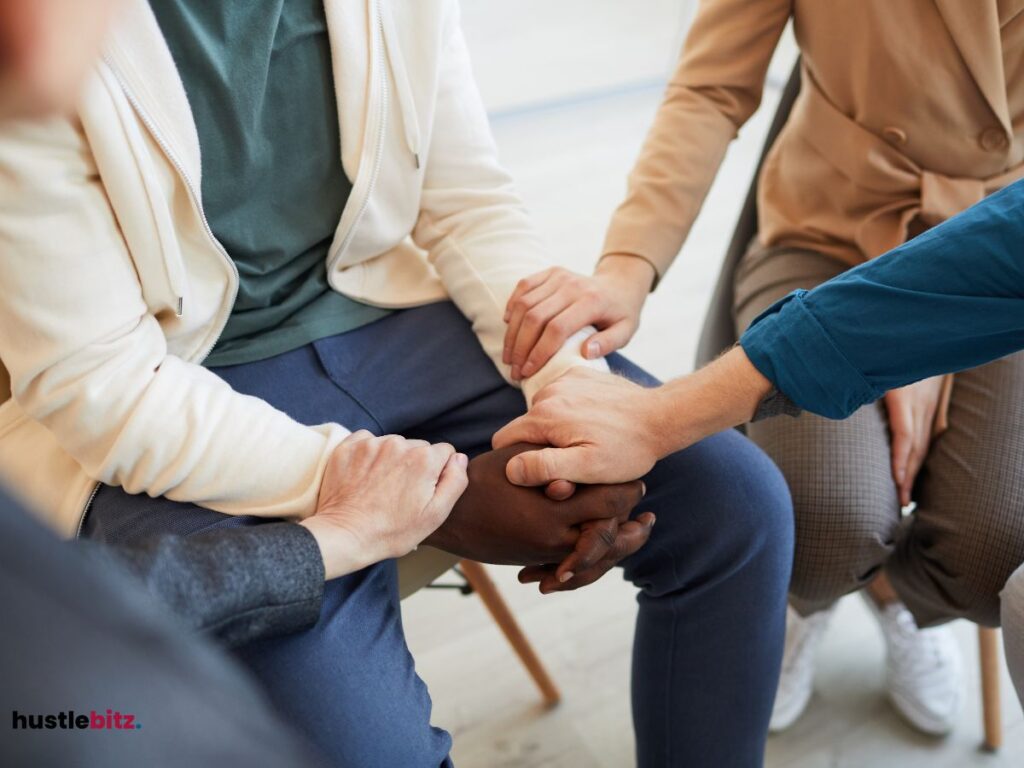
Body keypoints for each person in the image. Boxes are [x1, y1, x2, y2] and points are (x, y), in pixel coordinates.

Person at [0, 2, 794, 766]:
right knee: (359, 748)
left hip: (386, 312)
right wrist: (436, 501)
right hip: (174, 396)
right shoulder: (36, 31)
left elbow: (465, 203)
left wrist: (565, 390)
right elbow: (101, 381)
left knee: (739, 504)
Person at [501, 0, 1024, 735]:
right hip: (834, 222)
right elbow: (710, 86)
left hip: (1005, 265)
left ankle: (892, 598)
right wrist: (627, 267)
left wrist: (923, 339)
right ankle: (816, 596)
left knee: (992, 555)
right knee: (822, 528)